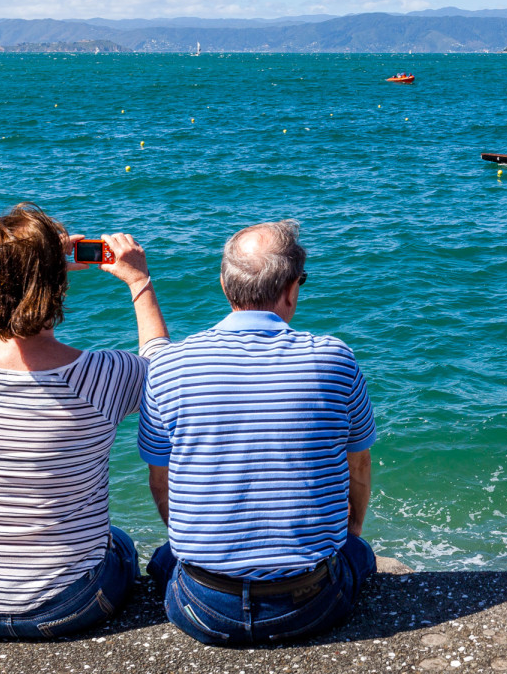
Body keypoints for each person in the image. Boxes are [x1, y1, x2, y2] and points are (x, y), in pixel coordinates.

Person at [0, 204, 169, 639]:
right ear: (54, 286)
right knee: (119, 543)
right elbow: (163, 372)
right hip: (66, 603)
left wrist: (31, 267)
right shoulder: (100, 375)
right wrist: (139, 281)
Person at [140, 220, 377, 646]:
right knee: (359, 555)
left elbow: (162, 481)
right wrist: (352, 531)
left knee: (162, 558)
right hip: (309, 606)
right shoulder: (335, 359)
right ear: (292, 289)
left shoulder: (168, 366)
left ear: (225, 285)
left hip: (204, 608)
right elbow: (357, 464)